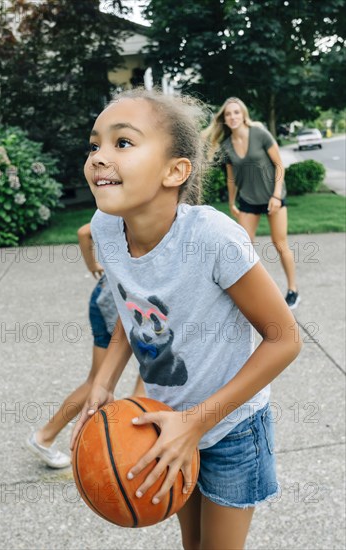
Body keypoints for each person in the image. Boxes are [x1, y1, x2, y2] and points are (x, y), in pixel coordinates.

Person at [70, 88, 302, 550]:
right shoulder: (104, 228)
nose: (98, 157)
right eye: (95, 144)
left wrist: (197, 424)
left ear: (175, 171)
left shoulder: (213, 238)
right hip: (166, 420)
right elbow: (130, 308)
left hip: (234, 428)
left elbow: (285, 339)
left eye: (123, 143)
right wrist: (103, 381)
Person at [26, 223, 144, 468]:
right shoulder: (138, 211)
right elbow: (83, 232)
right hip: (117, 305)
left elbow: (83, 232)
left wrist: (92, 265)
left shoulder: (125, 206)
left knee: (97, 380)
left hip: (102, 298)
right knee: (146, 375)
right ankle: (129, 451)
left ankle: (44, 437)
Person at [203, 97, 301, 310]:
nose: (233, 117)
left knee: (279, 243)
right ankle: (253, 295)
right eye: (228, 114)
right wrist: (231, 203)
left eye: (236, 112)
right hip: (248, 198)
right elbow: (231, 178)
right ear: (224, 119)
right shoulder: (226, 146)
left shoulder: (260, 134)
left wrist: (276, 196)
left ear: (243, 114)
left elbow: (279, 165)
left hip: (271, 196)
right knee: (244, 248)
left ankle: (293, 290)